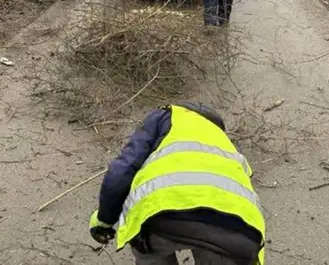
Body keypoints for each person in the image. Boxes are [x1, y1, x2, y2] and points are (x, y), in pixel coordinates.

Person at [88, 102, 266, 265]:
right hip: (236, 231)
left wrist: (104, 220)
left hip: (158, 215)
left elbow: (123, 170)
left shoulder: (165, 116)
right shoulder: (227, 146)